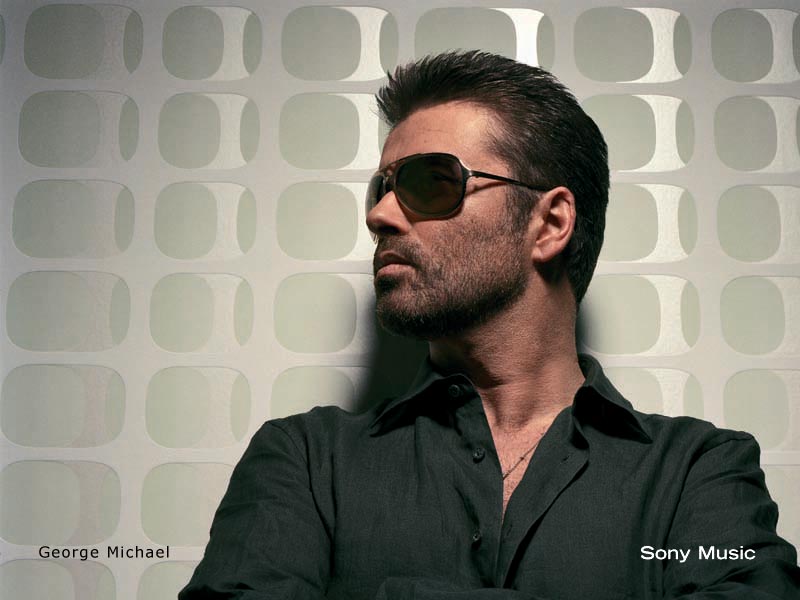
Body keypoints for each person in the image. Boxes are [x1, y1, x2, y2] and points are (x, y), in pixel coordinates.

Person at [179, 51, 799, 599]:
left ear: (549, 223)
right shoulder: (307, 462)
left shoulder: (697, 472)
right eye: (381, 188)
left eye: (431, 181)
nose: (380, 215)